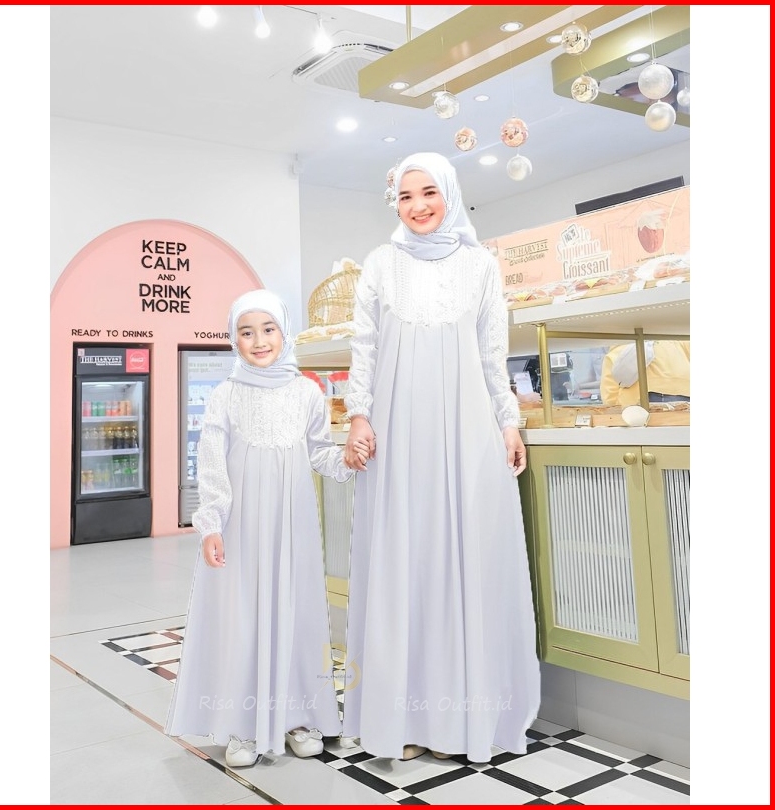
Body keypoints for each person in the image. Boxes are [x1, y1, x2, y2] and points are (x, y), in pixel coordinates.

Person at [341, 152, 541, 764]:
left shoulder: (480, 266)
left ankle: (462, 718)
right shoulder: (380, 263)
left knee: (465, 559)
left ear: (450, 194)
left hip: (466, 430)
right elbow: (364, 347)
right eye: (406, 196)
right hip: (397, 434)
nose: (418, 206)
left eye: (429, 192)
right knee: (405, 562)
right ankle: (401, 716)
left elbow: (491, 354)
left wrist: (508, 422)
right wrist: (358, 414)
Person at [165, 289, 369, 768]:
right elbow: (211, 465)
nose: (258, 341)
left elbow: (318, 452)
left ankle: (298, 715)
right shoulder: (226, 395)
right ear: (233, 339)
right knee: (243, 616)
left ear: (284, 332)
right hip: (241, 529)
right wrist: (211, 524)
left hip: (293, 526)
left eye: (268, 329)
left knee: (296, 611)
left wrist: (346, 458)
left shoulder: (306, 393)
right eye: (246, 332)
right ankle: (242, 723)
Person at [600, 340, 690, 407]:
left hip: (641, 399)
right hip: (685, 392)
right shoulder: (673, 341)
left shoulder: (616, 353)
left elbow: (610, 396)